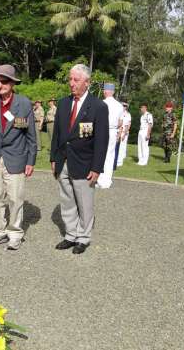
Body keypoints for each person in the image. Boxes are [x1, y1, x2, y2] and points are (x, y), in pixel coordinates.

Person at [50, 64, 109, 254]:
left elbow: (102, 140)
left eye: (76, 80)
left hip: (85, 163)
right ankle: (70, 234)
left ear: (87, 83)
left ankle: (83, 237)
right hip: (63, 160)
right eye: (70, 79)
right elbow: (57, 134)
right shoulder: (64, 103)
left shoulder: (98, 106)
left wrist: (97, 168)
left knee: (84, 202)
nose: (71, 84)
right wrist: (53, 158)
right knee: (67, 200)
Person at [0, 64, 37, 250]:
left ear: (12, 83)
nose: (0, 84)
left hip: (17, 157)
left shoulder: (24, 103)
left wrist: (31, 161)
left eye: (4, 81)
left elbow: (31, 137)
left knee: (15, 197)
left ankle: (15, 233)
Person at [96, 83, 123, 189]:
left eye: (104, 90)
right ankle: (107, 180)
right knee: (110, 156)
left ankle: (100, 179)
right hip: (113, 131)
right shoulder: (119, 105)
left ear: (106, 91)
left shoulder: (101, 103)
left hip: (102, 130)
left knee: (100, 154)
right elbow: (120, 122)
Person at [116, 102, 131, 167]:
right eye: (123, 105)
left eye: (125, 106)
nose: (124, 107)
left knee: (122, 147)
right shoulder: (118, 112)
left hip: (123, 131)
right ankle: (116, 160)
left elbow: (128, 124)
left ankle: (120, 161)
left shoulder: (128, 114)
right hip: (118, 131)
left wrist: (125, 134)